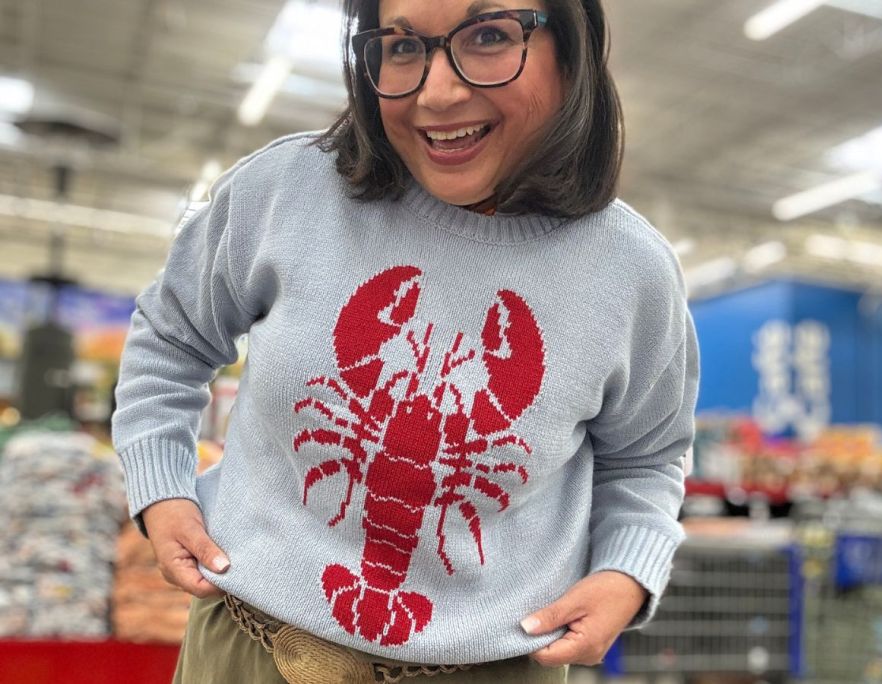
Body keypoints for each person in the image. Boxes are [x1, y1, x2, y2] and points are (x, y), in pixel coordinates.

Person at [112, 0, 700, 681]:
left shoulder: (634, 273)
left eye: (489, 35)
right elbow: (171, 337)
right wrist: (161, 486)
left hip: (494, 663)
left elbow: (646, 457)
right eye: (401, 46)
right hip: (248, 644)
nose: (437, 92)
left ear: (571, 48)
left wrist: (627, 569)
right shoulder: (284, 190)